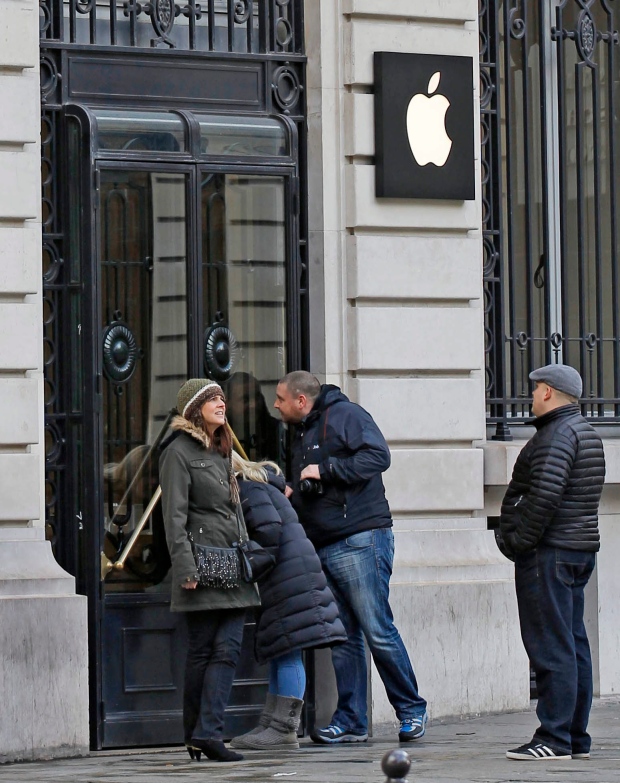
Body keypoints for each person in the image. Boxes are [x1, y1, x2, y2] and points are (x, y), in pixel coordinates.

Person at [273, 371, 428, 744]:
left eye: (280, 399)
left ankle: (411, 710)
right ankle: (351, 720)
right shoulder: (298, 431)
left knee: (377, 629)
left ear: (300, 401)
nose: (275, 406)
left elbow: (378, 456)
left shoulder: (347, 416)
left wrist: (325, 470)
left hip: (360, 538)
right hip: (323, 541)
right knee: (343, 638)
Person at [497, 364, 605, 761]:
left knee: (552, 647)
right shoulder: (584, 432)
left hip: (550, 553)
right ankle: (575, 737)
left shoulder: (555, 436)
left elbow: (544, 497)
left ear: (547, 392)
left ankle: (555, 738)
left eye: (534, 390)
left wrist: (519, 542)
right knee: (573, 644)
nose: (531, 397)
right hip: (576, 550)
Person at [159, 378, 261, 763]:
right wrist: (185, 567)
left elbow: (233, 512)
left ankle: (207, 733)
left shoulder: (223, 449)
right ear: (194, 409)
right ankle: (198, 734)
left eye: (221, 397)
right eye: (212, 399)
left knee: (228, 650)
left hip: (233, 566)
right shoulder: (178, 453)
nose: (221, 403)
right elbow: (174, 518)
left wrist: (246, 551)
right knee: (203, 652)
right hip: (201, 568)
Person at [228, 453, 347, 750]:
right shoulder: (257, 486)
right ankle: (271, 724)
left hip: (288, 577)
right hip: (289, 575)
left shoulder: (249, 489)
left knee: (288, 651)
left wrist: (245, 562)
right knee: (281, 649)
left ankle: (283, 729)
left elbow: (269, 532)